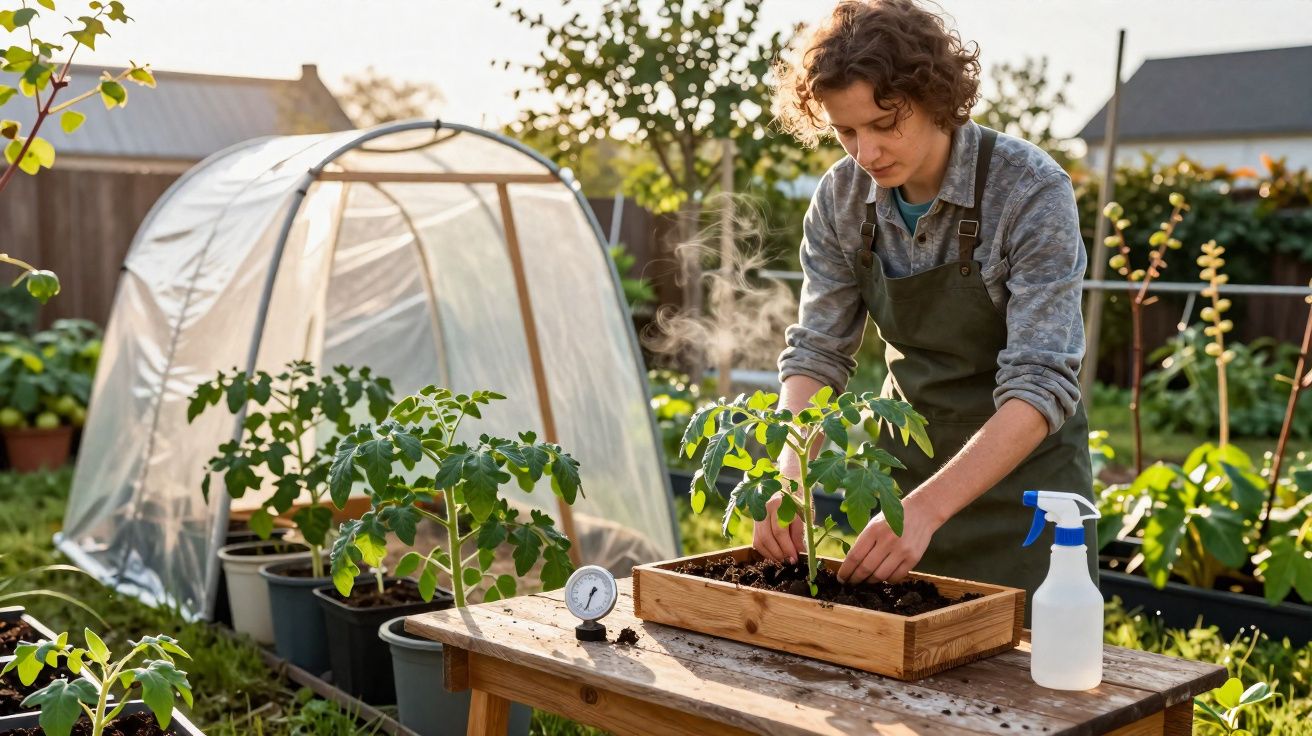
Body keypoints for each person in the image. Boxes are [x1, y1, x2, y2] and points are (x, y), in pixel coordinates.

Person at [764, 0, 1095, 614]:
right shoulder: (841, 198)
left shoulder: (1028, 190)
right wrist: (790, 476)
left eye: (884, 124)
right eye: (846, 131)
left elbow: (1041, 380)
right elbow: (818, 353)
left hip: (1024, 493)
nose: (866, 153)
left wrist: (928, 509)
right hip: (907, 472)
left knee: (1029, 664)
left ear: (936, 97)